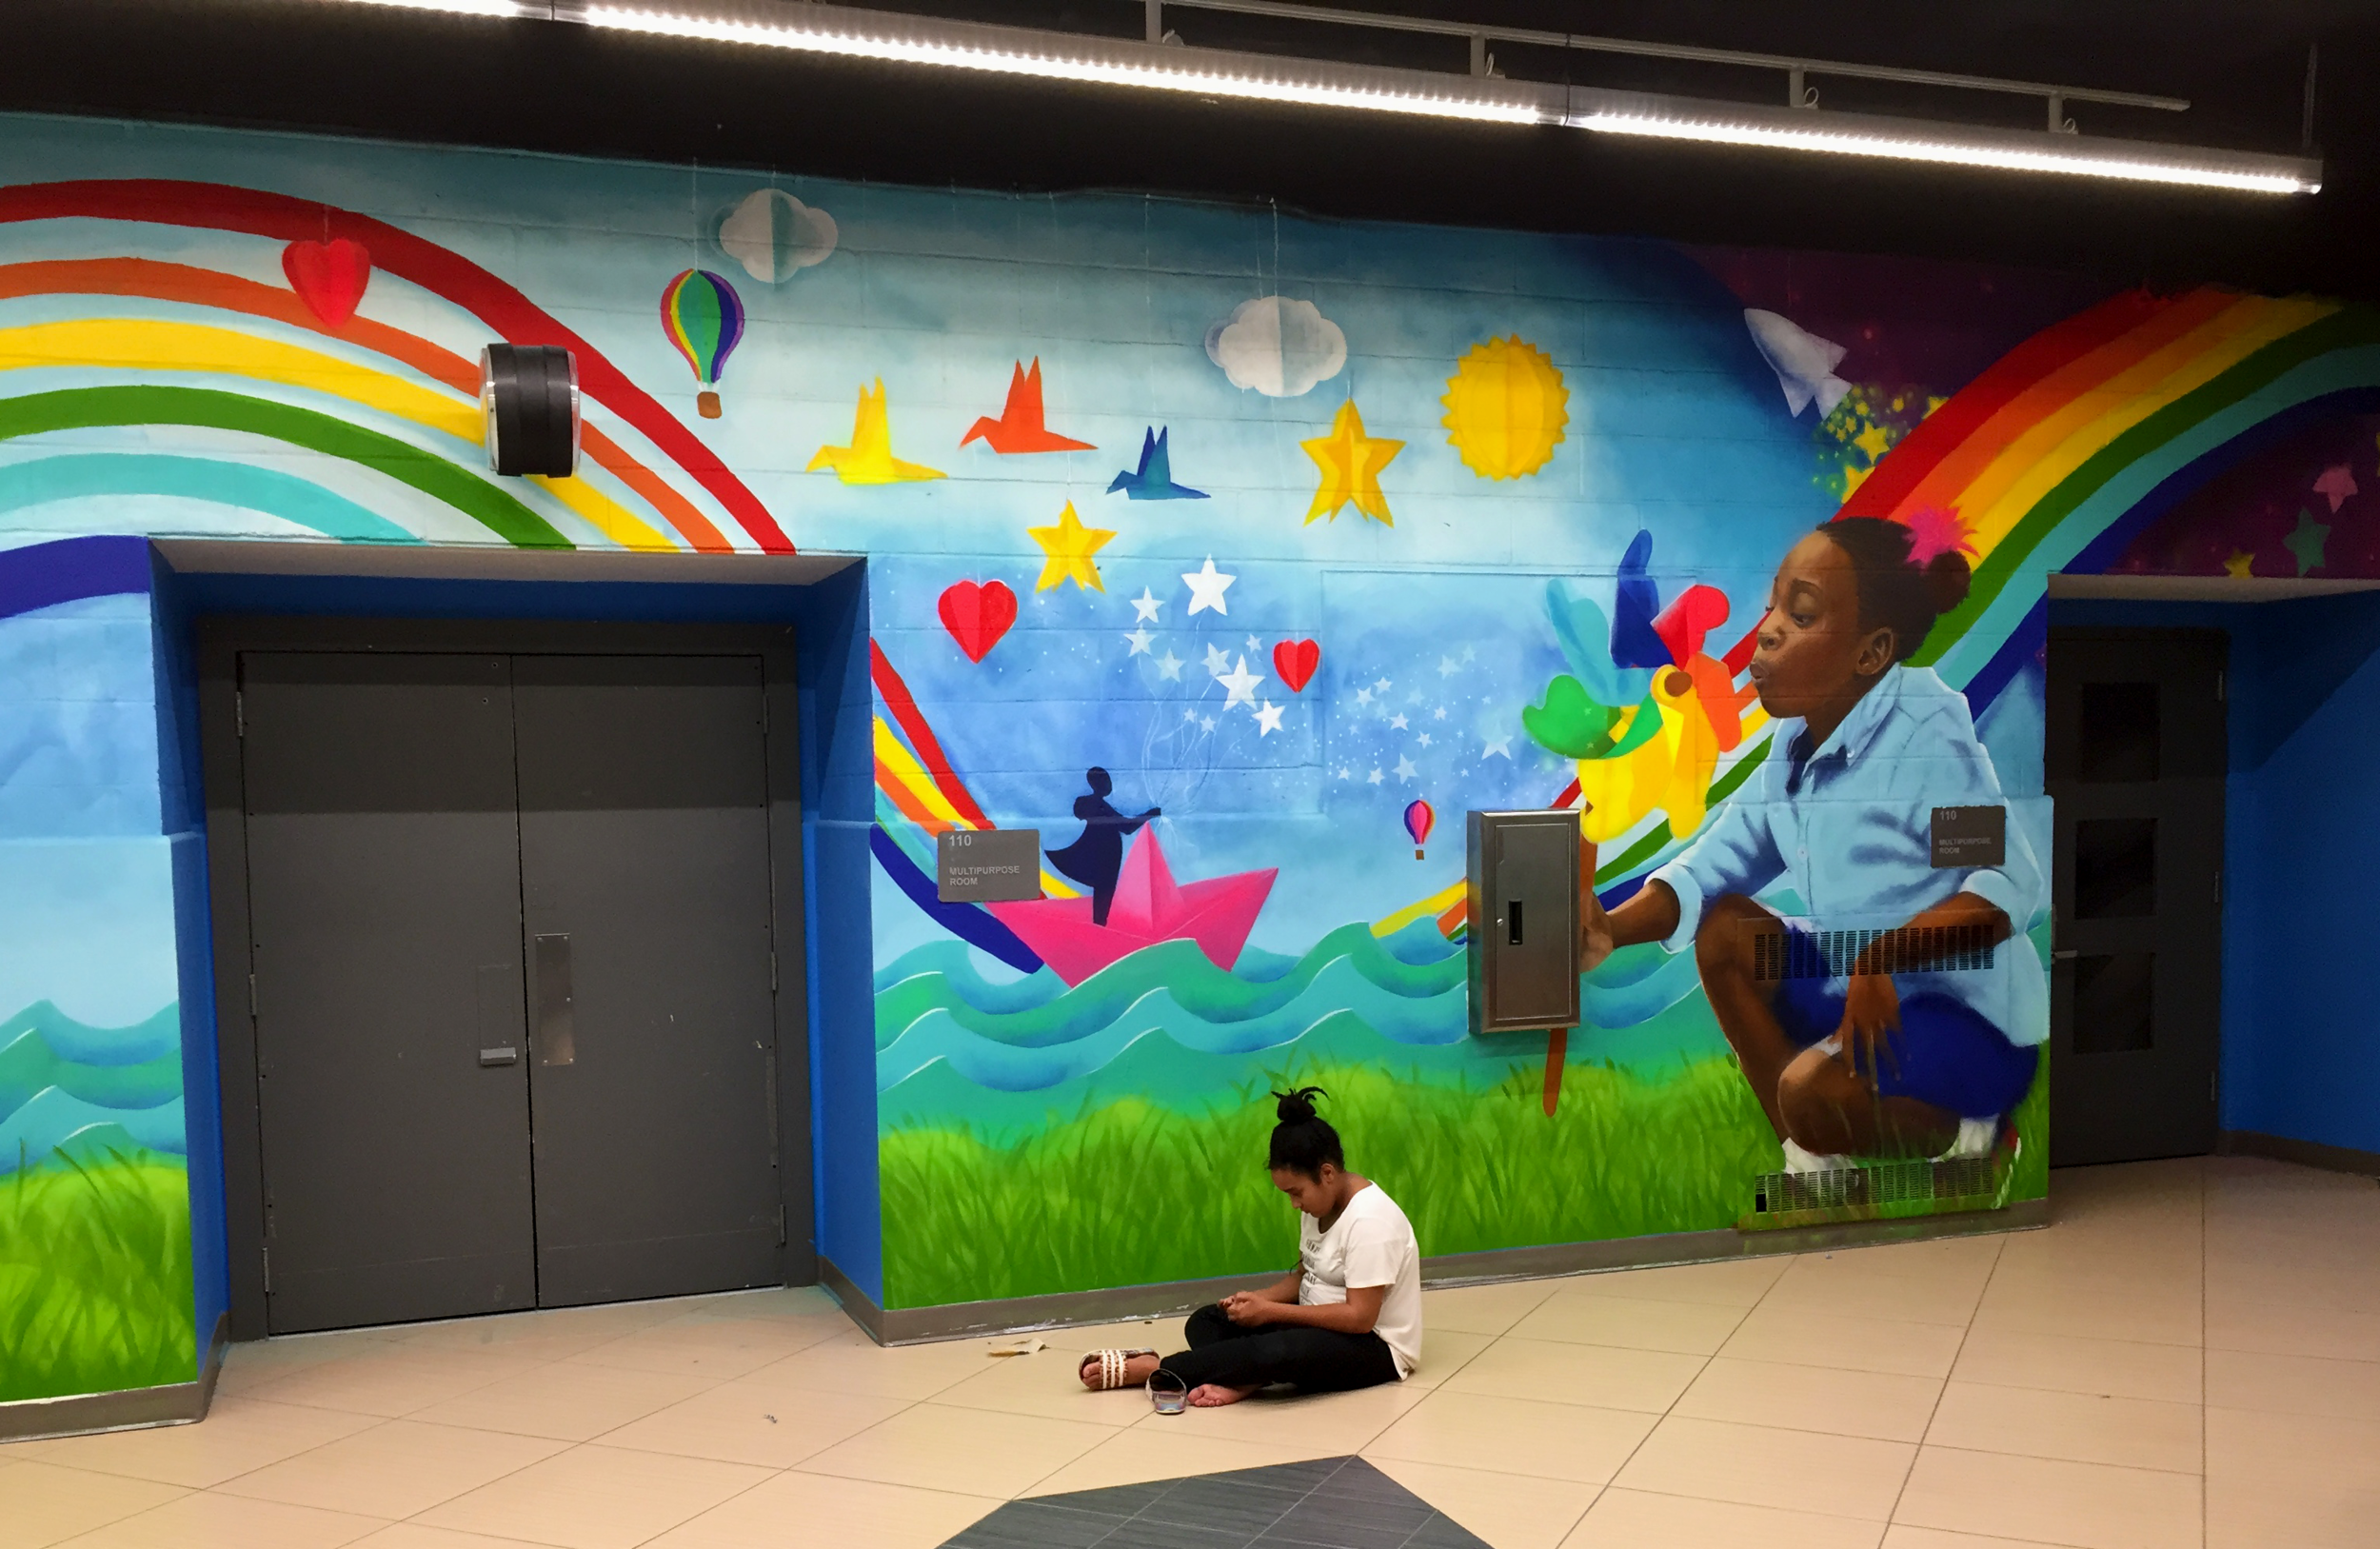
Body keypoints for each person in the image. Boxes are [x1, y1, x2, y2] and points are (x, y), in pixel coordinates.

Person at [1578, 516, 2046, 1172]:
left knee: (1808, 1091)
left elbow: (2003, 886)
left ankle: (1972, 1135)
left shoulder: (1925, 737)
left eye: (1800, 615)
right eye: (1772, 606)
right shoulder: (1795, 743)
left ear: (1870, 654)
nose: (1767, 630)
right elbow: (1715, 864)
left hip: (1968, 1018)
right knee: (1726, 931)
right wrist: (1609, 929)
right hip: (1855, 984)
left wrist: (1883, 958)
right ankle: (1813, 1160)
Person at [1078, 1088, 1422, 1406]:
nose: (1294, 1204)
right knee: (1207, 1321)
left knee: (1278, 1349)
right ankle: (1248, 1377)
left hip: (1373, 1347)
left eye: (1296, 1193)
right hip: (1312, 1327)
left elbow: (1360, 1318)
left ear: (1327, 1174)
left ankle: (1160, 1368)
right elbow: (1305, 1276)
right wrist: (1258, 1300)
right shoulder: (1318, 1205)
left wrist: (1272, 1312)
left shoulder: (1370, 1221)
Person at [1044, 766, 1160, 926]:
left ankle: (1099, 927)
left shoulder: (1097, 805)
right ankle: (1099, 929)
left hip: (1107, 857)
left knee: (1103, 900)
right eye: (1105, 780)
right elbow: (1127, 827)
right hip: (1102, 858)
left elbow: (1126, 827)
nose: (1109, 783)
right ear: (1097, 783)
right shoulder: (1095, 804)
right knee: (1103, 899)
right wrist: (1151, 813)